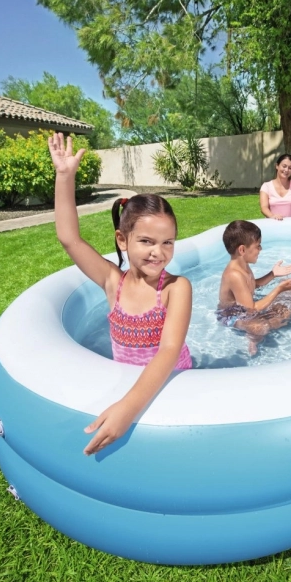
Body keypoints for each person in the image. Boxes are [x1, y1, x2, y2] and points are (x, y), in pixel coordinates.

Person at [48, 133, 192, 456]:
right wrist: (64, 177)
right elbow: (69, 238)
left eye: (167, 242)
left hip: (176, 383)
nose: (159, 252)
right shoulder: (114, 282)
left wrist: (127, 409)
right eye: (146, 241)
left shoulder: (176, 288)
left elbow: (168, 352)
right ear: (122, 240)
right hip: (126, 382)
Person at [217, 220, 291, 354]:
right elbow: (251, 308)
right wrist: (279, 289)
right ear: (242, 249)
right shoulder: (234, 274)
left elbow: (253, 285)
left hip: (245, 310)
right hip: (231, 315)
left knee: (285, 309)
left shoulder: (242, 265)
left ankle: (259, 327)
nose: (260, 249)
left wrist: (273, 274)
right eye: (258, 246)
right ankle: (253, 338)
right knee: (260, 327)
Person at [260, 153, 291, 220]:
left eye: (290, 168)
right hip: (271, 225)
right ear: (277, 166)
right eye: (284, 166)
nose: (286, 170)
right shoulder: (266, 186)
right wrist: (273, 216)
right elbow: (264, 208)